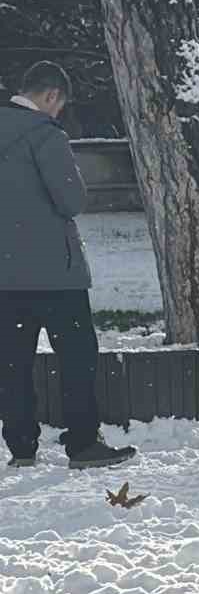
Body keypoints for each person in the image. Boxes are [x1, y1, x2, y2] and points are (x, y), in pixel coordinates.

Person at [1, 62, 137, 470]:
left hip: (4, 275)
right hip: (55, 275)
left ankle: (21, 446)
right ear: (51, 96)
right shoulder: (46, 135)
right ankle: (82, 443)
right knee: (77, 358)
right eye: (59, 105)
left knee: (12, 363)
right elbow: (71, 200)